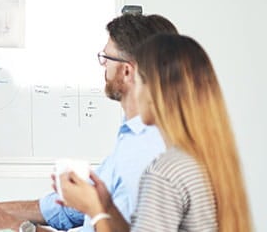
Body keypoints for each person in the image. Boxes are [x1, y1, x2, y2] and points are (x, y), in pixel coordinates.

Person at [0, 14, 179, 231]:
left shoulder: (143, 157)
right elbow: (69, 211)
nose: (103, 66)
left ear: (127, 70)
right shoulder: (133, 137)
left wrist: (17, 227)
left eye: (106, 58)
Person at [58, 34, 252, 231]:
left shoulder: (166, 172)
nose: (135, 91)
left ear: (156, 90)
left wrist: (94, 212)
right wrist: (106, 206)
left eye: (138, 80)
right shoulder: (208, 161)